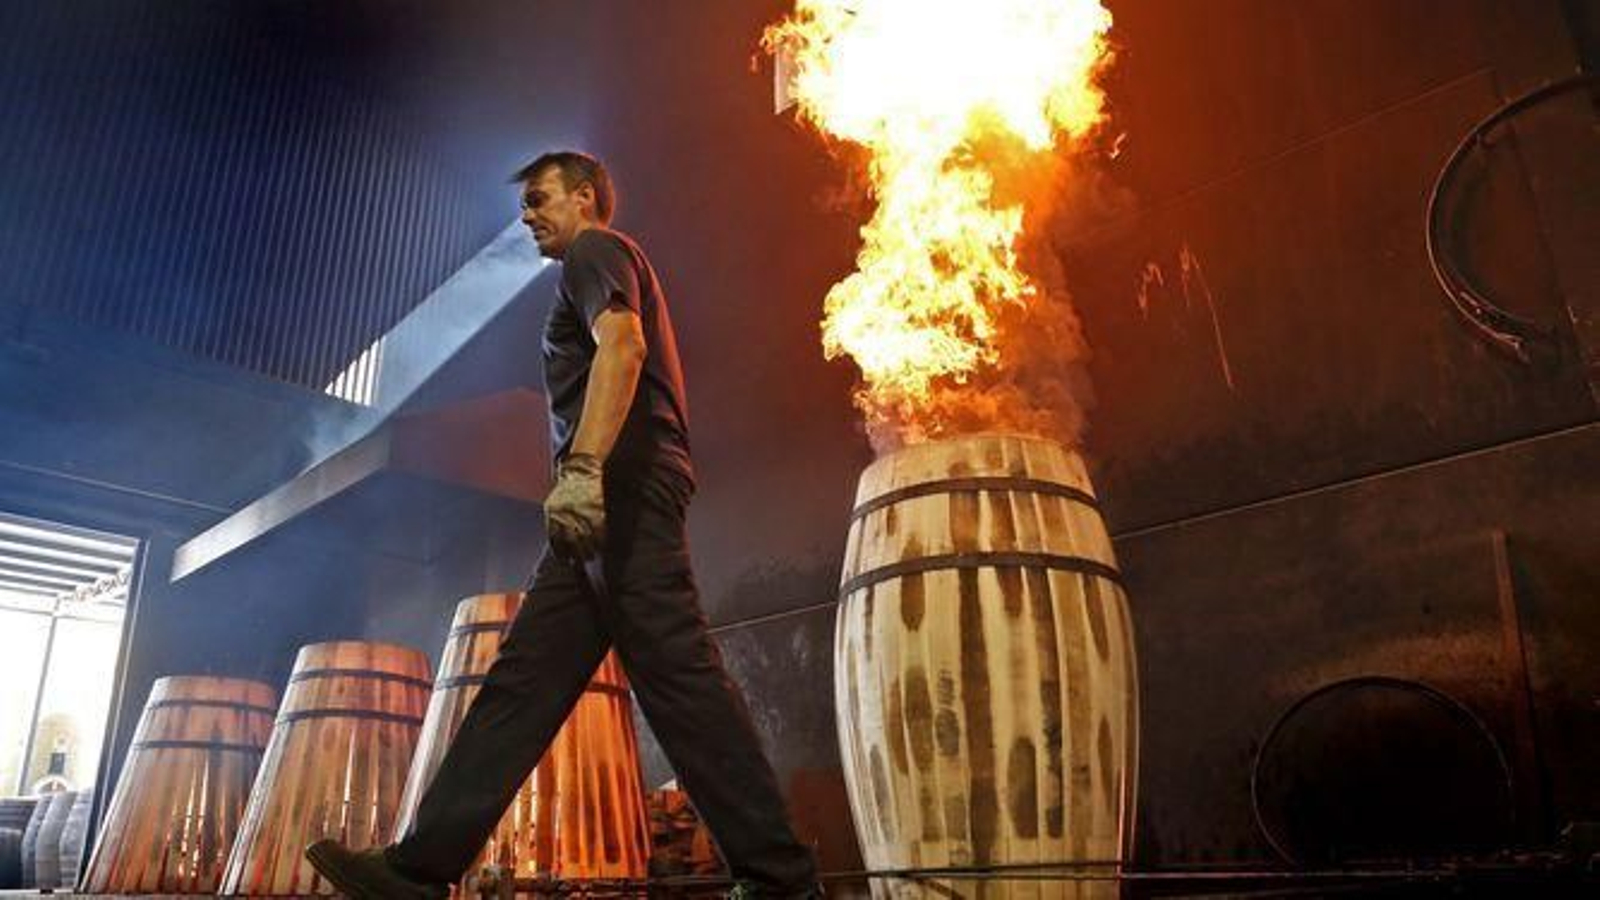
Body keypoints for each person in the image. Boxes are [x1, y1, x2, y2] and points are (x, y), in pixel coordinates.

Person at [305, 151, 822, 900]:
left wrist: (581, 473)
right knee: (521, 686)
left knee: (679, 679)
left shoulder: (596, 249)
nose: (527, 216)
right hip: (600, 510)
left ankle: (780, 879)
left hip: (621, 492)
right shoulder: (590, 258)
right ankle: (418, 870)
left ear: (585, 198)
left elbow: (625, 346)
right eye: (524, 205)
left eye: (540, 199)